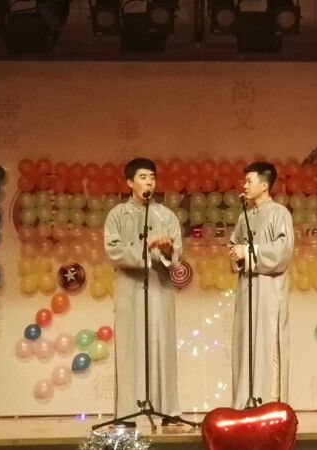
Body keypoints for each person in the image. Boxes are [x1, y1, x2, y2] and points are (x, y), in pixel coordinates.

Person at [104, 157, 182, 423]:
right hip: (130, 288)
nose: (149, 182)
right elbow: (114, 250)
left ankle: (168, 410)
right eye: (143, 177)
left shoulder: (166, 215)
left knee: (162, 345)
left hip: (159, 287)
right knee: (130, 348)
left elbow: (176, 256)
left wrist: (167, 251)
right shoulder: (117, 215)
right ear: (130, 182)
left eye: (152, 177)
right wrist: (145, 248)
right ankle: (128, 411)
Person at [228, 161, 295, 408]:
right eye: (244, 181)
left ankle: (269, 404)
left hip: (269, 290)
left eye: (249, 181)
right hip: (247, 289)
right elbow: (234, 246)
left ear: (265, 185)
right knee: (245, 344)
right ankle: (245, 403)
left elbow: (282, 251)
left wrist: (249, 251)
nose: (245, 186)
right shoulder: (243, 217)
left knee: (267, 344)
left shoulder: (279, 213)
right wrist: (237, 255)